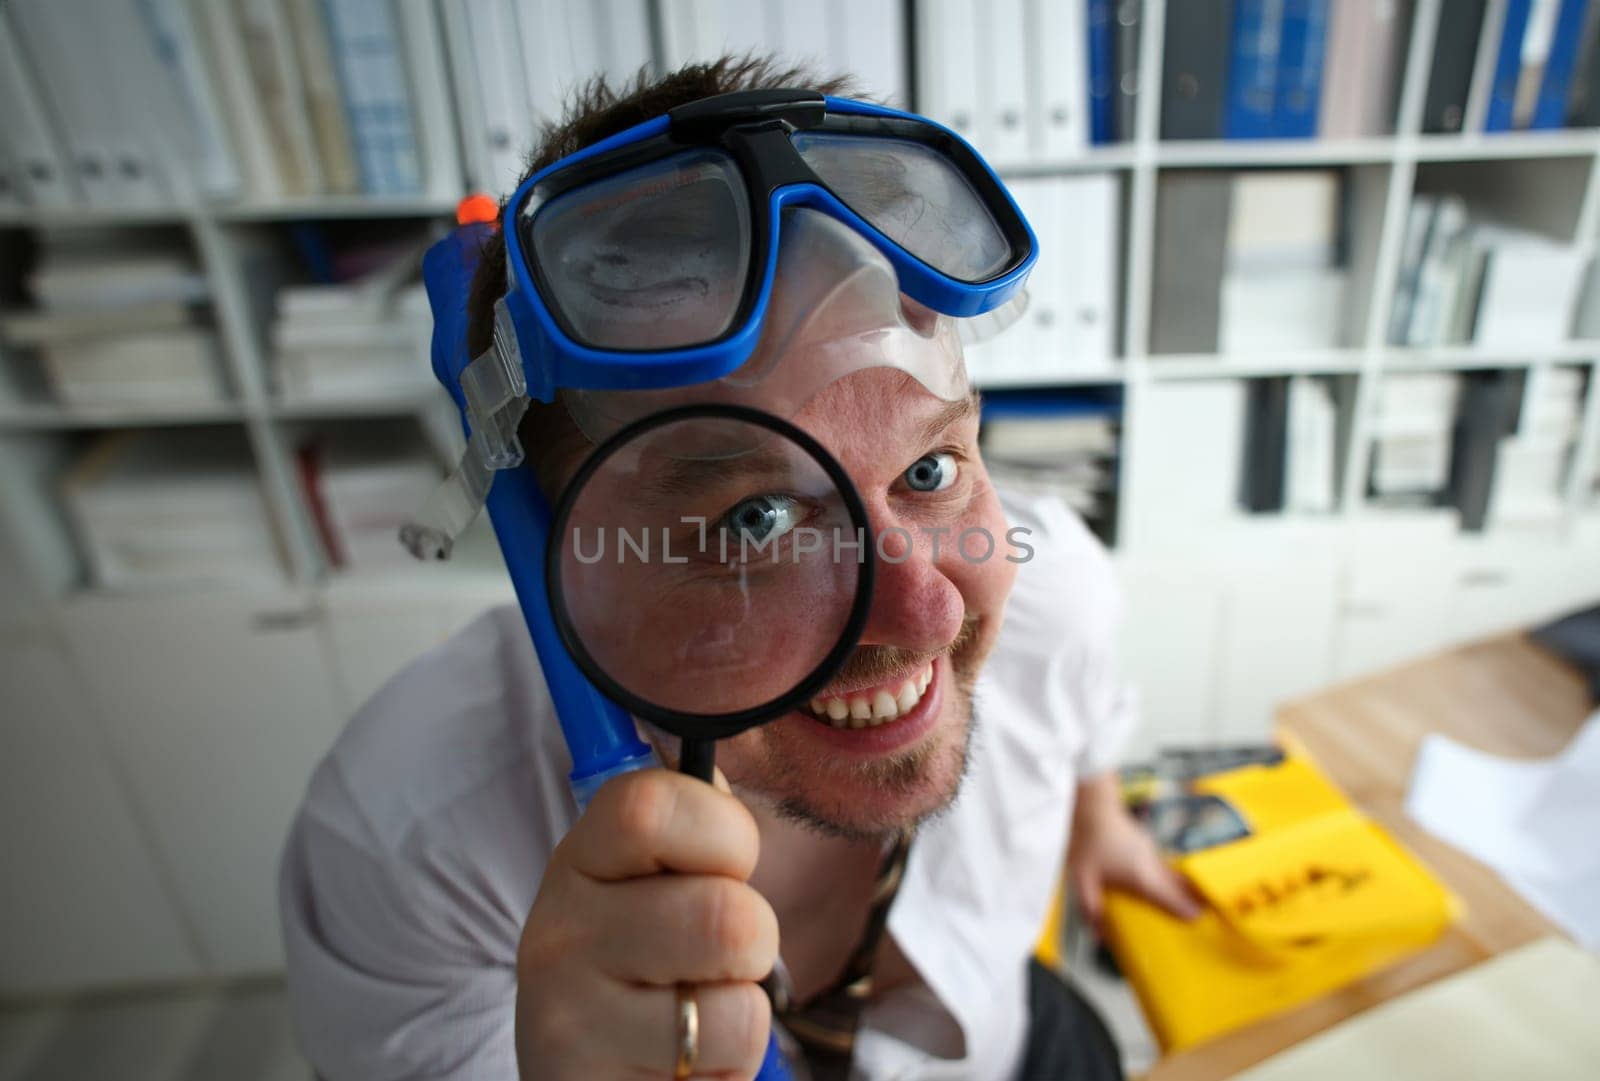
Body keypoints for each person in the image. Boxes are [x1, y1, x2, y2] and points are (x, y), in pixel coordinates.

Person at [279, 56, 1200, 1081]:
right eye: (755, 519)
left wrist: (1099, 822)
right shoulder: (405, 850)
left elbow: (1082, 714)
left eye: (930, 467)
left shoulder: (1055, 591)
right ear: (554, 550)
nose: (928, 605)